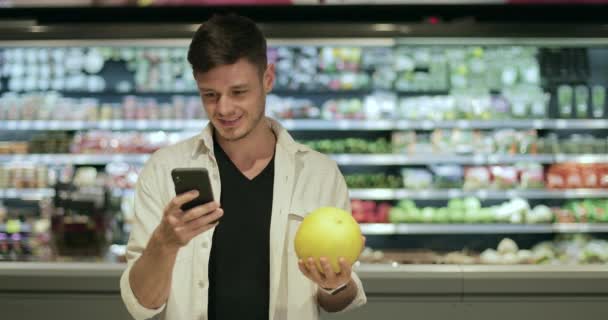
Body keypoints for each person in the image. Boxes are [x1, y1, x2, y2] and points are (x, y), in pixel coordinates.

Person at [120, 13, 367, 320]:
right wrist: (164, 243)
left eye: (239, 92)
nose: (223, 108)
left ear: (268, 79)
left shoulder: (319, 175)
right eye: (209, 95)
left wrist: (336, 285)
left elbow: (336, 303)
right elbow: (141, 305)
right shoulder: (163, 170)